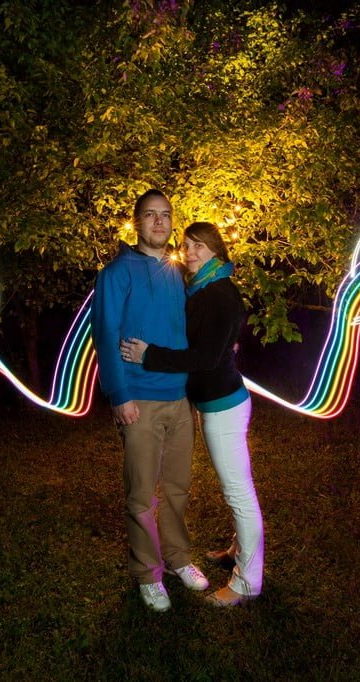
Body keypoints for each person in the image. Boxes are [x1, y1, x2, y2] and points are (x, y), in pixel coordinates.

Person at [121, 221, 262, 607]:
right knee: (236, 488)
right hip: (215, 403)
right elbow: (215, 340)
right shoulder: (201, 288)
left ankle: (248, 581)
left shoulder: (219, 293)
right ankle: (238, 549)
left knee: (239, 493)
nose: (191, 252)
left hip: (224, 408)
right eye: (187, 245)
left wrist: (149, 355)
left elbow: (205, 357)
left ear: (216, 250)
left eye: (200, 245)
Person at [90, 189, 210, 613]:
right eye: (150, 215)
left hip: (180, 399)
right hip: (138, 400)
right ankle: (147, 573)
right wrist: (119, 395)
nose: (159, 222)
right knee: (142, 495)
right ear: (137, 222)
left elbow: (189, 330)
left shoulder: (178, 273)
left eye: (166, 215)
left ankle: (177, 558)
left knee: (177, 487)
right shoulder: (116, 273)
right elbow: (105, 334)